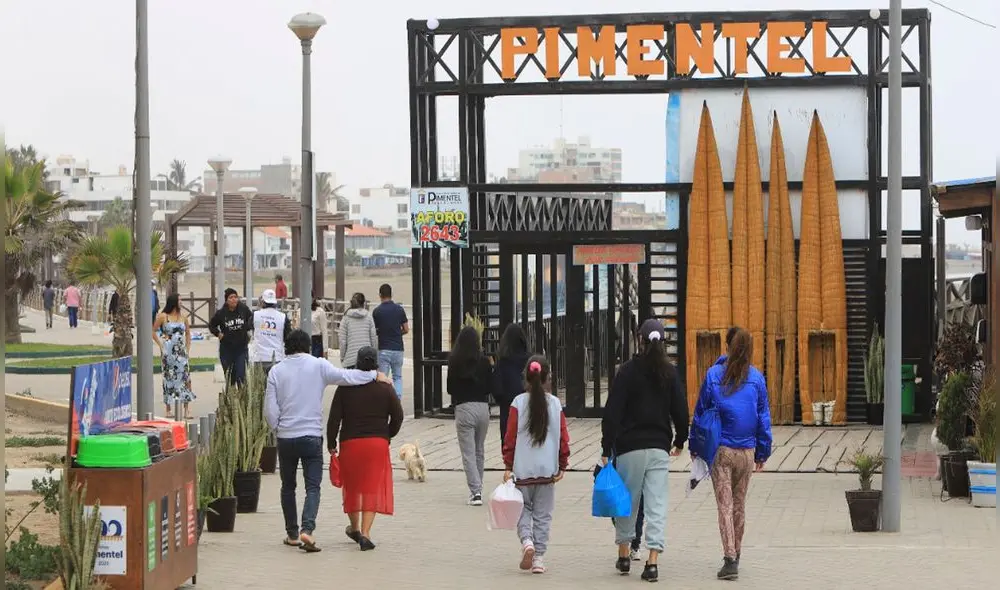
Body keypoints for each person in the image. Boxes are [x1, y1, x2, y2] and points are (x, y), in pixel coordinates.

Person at [264, 330, 387, 552]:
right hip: (311, 436)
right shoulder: (318, 365)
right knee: (313, 486)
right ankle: (307, 529)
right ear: (307, 346)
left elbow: (270, 411)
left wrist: (278, 428)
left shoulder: (276, 371)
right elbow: (347, 377)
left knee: (288, 487)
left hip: (286, 437)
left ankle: (292, 534)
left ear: (287, 346)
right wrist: (373, 375)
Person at [600, 319, 689, 582]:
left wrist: (606, 445)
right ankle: (652, 562)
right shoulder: (670, 373)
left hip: (629, 448)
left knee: (627, 501)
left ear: (640, 340)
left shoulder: (627, 371)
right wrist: (680, 440)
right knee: (657, 503)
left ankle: (624, 554)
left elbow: (613, 411)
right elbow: (681, 411)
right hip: (660, 447)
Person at [691, 326, 773, 581]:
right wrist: (763, 452)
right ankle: (737, 552)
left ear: (727, 347)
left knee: (725, 506)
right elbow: (763, 417)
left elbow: (700, 413)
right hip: (747, 451)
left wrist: (695, 447)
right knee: (739, 505)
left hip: (722, 450)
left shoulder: (713, 375)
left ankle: (729, 560)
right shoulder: (757, 378)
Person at [327, 346, 404, 551]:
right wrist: (387, 435)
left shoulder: (345, 388)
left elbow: (334, 418)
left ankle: (354, 528)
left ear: (357, 363)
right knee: (371, 487)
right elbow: (398, 416)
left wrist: (331, 443)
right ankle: (366, 533)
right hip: (377, 443)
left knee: (352, 486)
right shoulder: (385, 387)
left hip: (350, 443)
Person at [501, 355, 570, 575]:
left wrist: (508, 465)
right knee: (543, 515)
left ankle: (527, 541)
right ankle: (539, 558)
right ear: (548, 377)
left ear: (526, 377)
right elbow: (563, 437)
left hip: (522, 471)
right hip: (547, 471)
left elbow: (510, 437)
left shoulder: (517, 403)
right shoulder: (555, 404)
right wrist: (562, 464)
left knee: (522, 510)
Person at [447, 325, 493, 506]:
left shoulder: (455, 361)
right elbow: (489, 387)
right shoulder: (484, 362)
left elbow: (450, 388)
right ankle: (478, 486)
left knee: (468, 453)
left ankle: (476, 492)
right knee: (479, 450)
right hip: (483, 408)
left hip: (464, 408)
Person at [153, 294, 195, 418]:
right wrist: (160, 344)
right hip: (168, 352)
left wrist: (187, 348)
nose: (181, 302)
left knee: (186, 378)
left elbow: (188, 333)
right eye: (179, 299)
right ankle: (168, 408)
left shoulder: (183, 317)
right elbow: (153, 330)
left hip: (181, 352)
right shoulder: (163, 316)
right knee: (168, 377)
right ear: (174, 302)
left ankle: (186, 408)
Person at [493, 323, 532, 445]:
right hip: (529, 407)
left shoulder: (502, 363)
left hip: (508, 409)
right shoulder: (530, 360)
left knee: (509, 444)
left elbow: (497, 390)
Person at [208, 288, 254, 387]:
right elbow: (211, 325)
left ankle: (242, 395)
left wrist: (247, 329)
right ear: (226, 300)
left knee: (241, 376)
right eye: (231, 297)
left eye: (235, 297)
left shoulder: (243, 309)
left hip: (241, 349)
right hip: (227, 350)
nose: (233, 299)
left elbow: (252, 319)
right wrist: (218, 334)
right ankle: (231, 395)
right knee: (230, 379)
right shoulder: (221, 313)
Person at [371, 283, 408, 399]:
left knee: (383, 378)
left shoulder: (377, 311)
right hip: (398, 348)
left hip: (383, 348)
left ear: (380, 295)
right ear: (391, 294)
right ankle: (397, 400)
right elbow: (406, 329)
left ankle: (384, 401)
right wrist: (397, 333)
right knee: (397, 377)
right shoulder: (399, 309)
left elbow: (374, 331)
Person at [253, 288, 291, 374]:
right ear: (275, 302)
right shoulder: (283, 317)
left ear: (262, 301)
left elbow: (248, 329)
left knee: (259, 382)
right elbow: (288, 337)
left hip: (259, 357)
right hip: (277, 358)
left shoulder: (255, 315)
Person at [338, 292, 378, 369]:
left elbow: (342, 341)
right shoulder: (369, 316)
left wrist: (342, 357)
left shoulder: (346, 318)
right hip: (367, 358)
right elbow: (373, 338)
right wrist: (374, 356)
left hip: (350, 359)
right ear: (364, 303)